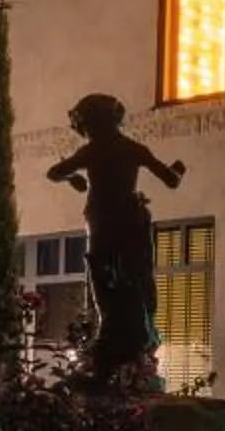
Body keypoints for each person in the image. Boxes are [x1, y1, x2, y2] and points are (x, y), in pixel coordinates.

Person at [46, 92, 185, 386]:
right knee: (134, 280)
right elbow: (171, 180)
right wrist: (178, 169)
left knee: (105, 284)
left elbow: (54, 172)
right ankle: (130, 347)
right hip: (129, 223)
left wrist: (74, 179)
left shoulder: (91, 151)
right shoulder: (134, 148)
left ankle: (115, 347)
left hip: (102, 222)